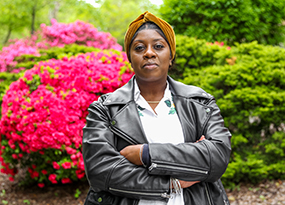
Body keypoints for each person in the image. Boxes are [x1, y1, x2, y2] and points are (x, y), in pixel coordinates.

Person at [82, 11, 232, 205]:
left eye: (159, 46)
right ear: (130, 58)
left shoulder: (200, 103)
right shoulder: (105, 109)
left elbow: (217, 157)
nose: (149, 53)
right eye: (139, 48)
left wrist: (145, 154)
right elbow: (101, 171)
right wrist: (174, 182)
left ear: (171, 56)